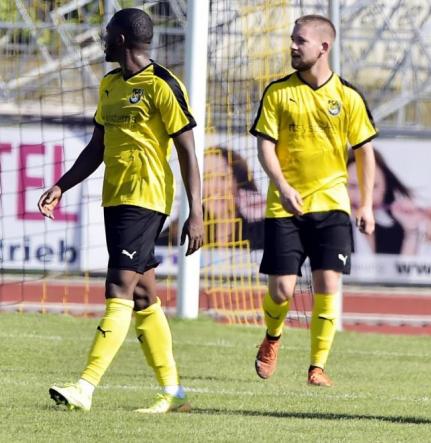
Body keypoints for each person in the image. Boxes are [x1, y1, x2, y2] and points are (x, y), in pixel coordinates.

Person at [39, 8, 202, 413]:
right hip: (115, 197)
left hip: (146, 198)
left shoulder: (163, 85)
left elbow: (187, 151)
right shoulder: (109, 84)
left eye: (108, 32)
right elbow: (96, 147)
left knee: (118, 288)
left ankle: (85, 387)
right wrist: (61, 185)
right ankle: (173, 392)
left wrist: (196, 211)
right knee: (144, 295)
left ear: (123, 39)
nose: (103, 39)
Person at [249, 14, 377, 387]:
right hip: (284, 205)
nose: (292, 46)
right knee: (281, 290)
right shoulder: (278, 92)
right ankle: (272, 337)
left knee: (328, 286)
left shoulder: (348, 96)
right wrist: (282, 185)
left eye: (299, 40)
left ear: (323, 47)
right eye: (292, 39)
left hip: (332, 205)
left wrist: (366, 204)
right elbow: (265, 146)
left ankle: (317, 367)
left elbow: (365, 151)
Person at [157, 147, 265, 249]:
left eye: (222, 178)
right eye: (207, 178)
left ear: (239, 183)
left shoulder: (263, 232)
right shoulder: (176, 233)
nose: (215, 187)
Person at [347, 150, 431, 256]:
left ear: (385, 188)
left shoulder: (395, 229)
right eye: (352, 186)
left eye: (372, 186)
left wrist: (411, 232)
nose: (362, 197)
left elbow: (402, 267)